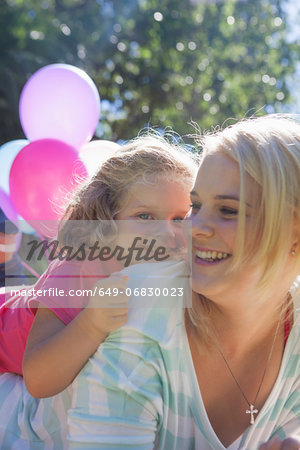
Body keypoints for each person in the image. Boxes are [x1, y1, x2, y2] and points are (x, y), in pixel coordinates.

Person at [67, 116, 300, 450]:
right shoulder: (144, 304)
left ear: (294, 230)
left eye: (228, 210)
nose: (195, 228)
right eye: (197, 206)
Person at [0, 133, 197, 449]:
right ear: (108, 219)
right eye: (145, 216)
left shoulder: (173, 275)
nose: (166, 231)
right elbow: (37, 378)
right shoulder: (78, 268)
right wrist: (91, 324)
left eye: (180, 218)